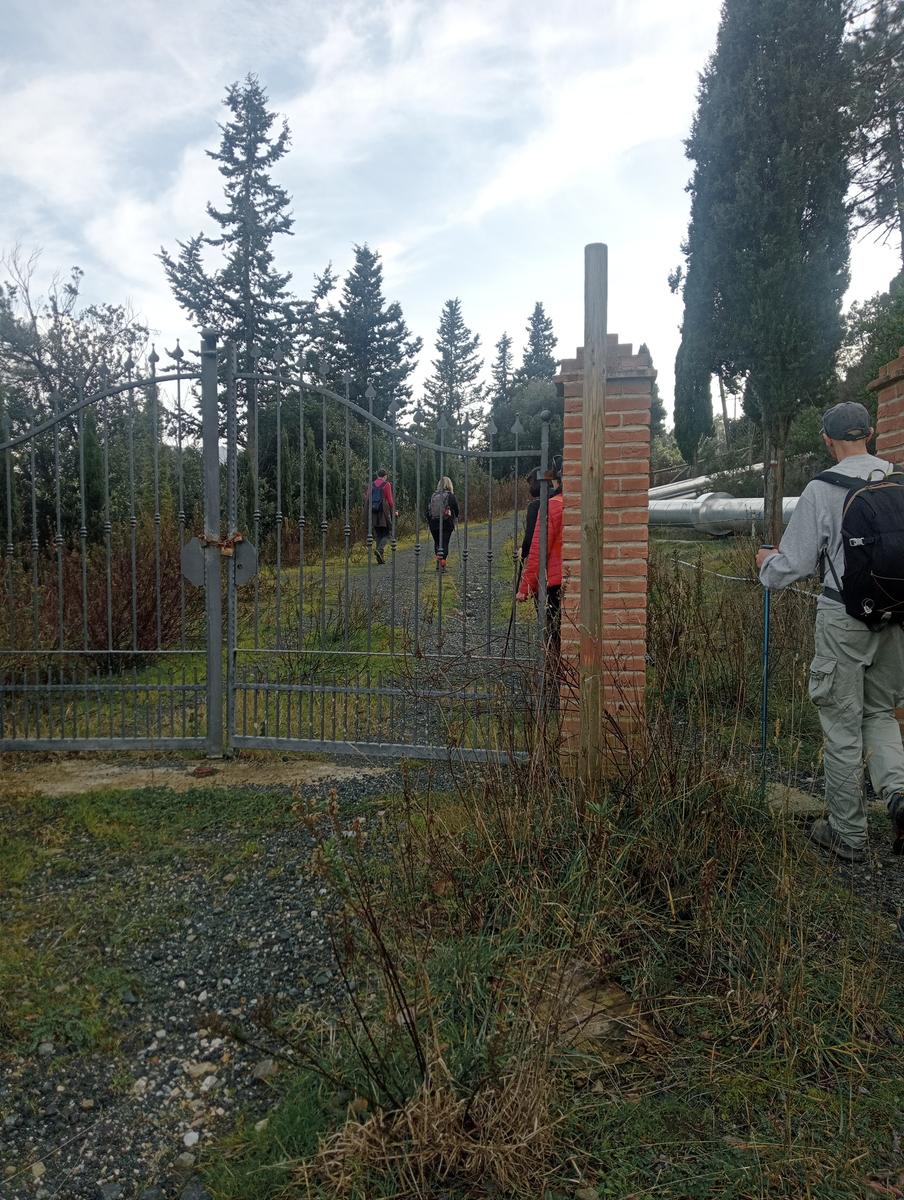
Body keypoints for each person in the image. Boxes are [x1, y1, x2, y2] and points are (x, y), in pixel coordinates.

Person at [757, 401, 904, 863]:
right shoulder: (898, 481)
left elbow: (795, 564)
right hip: (896, 616)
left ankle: (848, 835)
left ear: (828, 439)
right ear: (871, 433)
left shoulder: (823, 488)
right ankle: (899, 798)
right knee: (880, 713)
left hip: (843, 618)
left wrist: (766, 565)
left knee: (841, 726)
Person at [516, 462, 563, 660]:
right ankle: (564, 678)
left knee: (552, 630)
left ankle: (553, 676)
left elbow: (537, 549)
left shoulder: (550, 505)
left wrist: (525, 587)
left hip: (551, 581)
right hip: (571, 579)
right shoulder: (575, 504)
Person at [426, 476, 459, 570]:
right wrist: (455, 517)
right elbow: (456, 510)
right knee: (444, 543)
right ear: (449, 485)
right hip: (446, 523)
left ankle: (438, 562)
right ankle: (442, 564)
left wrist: (430, 521)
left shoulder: (433, 496)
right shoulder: (450, 496)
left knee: (437, 543)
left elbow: (427, 511)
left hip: (433, 523)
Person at [366, 468, 395, 565]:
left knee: (378, 534)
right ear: (385, 476)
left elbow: (367, 498)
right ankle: (379, 549)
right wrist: (394, 511)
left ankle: (380, 558)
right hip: (383, 512)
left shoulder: (372, 484)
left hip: (373, 512)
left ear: (377, 475)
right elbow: (390, 500)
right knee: (387, 533)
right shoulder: (387, 484)